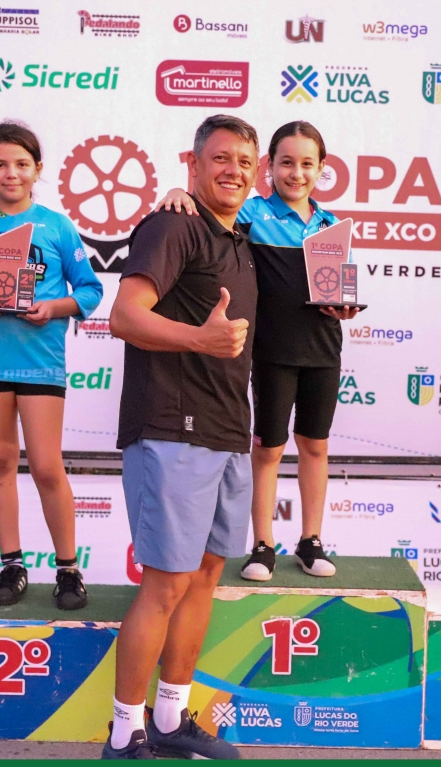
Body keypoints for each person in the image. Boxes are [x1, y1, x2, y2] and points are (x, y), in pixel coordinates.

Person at [103, 114, 260, 759]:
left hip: (228, 430)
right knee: (166, 584)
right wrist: (200, 338)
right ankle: (124, 733)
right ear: (191, 165)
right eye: (220, 158)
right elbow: (123, 316)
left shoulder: (242, 238)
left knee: (204, 579)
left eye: (245, 161)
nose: (234, 171)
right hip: (173, 429)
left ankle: (169, 719)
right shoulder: (173, 225)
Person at [156, 121, 357, 582]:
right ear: (269, 167)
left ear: (321, 169)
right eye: (286, 163)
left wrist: (345, 307)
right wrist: (177, 191)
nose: (296, 173)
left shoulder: (331, 226)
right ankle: (263, 544)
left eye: (307, 164)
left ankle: (311, 540)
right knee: (268, 449)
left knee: (316, 445)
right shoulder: (251, 213)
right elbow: (207, 213)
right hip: (269, 353)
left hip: (324, 350)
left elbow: (342, 287)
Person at [0, 122, 103, 609]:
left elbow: (90, 289)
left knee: (47, 466)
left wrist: (54, 307)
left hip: (40, 361)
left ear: (38, 170)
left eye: (21, 164)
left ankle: (68, 569)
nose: (11, 173)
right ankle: (12, 564)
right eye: (0, 164)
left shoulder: (56, 226)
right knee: (0, 458)